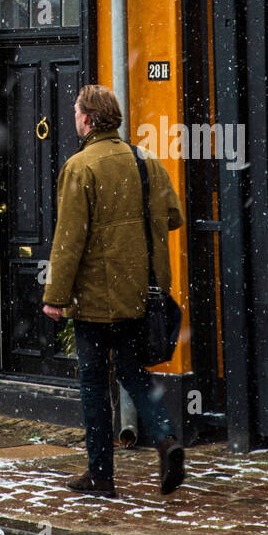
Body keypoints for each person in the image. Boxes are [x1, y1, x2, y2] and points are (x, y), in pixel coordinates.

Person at [42, 84, 186, 498]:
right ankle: (164, 439)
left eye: (75, 112)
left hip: (92, 301)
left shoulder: (80, 166)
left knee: (92, 381)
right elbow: (172, 216)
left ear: (87, 119)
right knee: (132, 372)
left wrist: (55, 296)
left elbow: (69, 240)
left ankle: (101, 475)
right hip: (139, 295)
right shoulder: (145, 161)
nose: (74, 118)